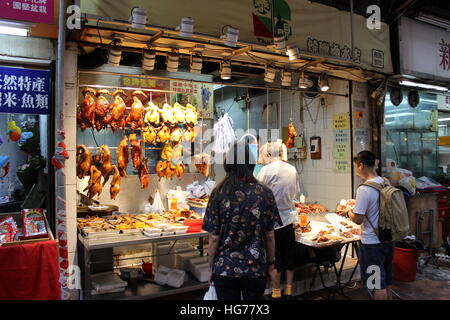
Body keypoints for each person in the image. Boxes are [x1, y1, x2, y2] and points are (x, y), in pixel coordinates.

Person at [202, 142, 282, 300]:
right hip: (255, 269)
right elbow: (270, 236)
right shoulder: (265, 193)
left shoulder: (219, 192)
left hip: (225, 269)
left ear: (228, 164)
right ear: (251, 163)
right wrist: (271, 265)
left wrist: (211, 266)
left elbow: (214, 238)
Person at [348, 150, 394, 300]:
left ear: (361, 165)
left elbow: (358, 219)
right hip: (388, 239)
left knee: (375, 283)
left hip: (372, 244)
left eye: (356, 166)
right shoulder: (385, 182)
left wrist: (349, 212)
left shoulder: (364, 189)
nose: (356, 169)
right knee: (386, 280)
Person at [257, 141, 300, 300]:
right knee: (289, 255)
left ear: (268, 155)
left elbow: (258, 193)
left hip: (271, 221)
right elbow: (295, 192)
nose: (262, 159)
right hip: (288, 219)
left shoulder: (266, 170)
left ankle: (276, 292)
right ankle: (288, 290)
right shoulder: (292, 169)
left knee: (275, 257)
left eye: (263, 156)